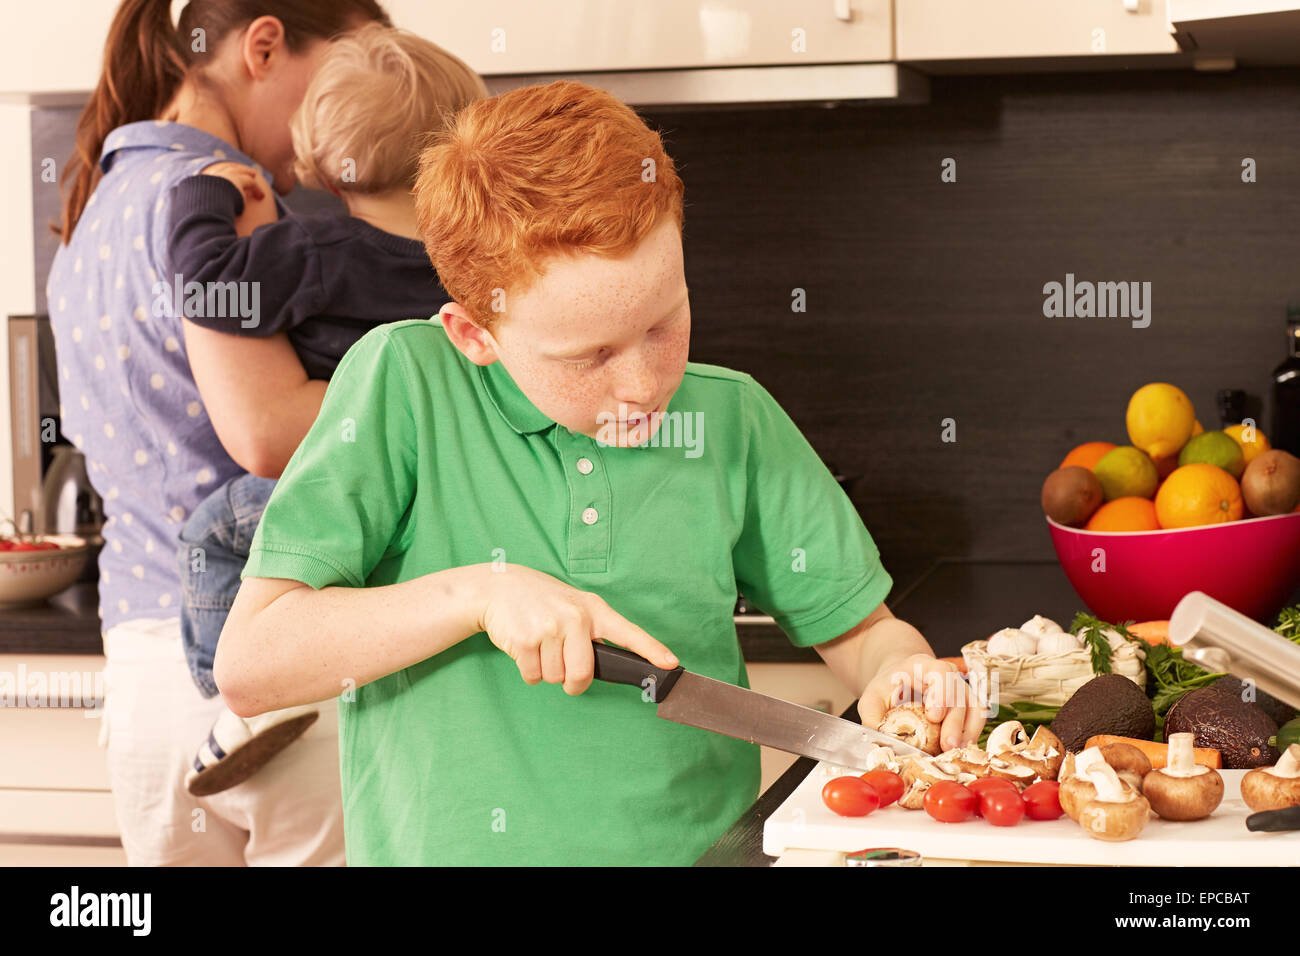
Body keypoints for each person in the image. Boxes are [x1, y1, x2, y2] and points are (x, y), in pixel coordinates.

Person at [215, 79, 986, 866]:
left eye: (665, 321)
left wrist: (902, 674)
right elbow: (251, 667)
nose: (644, 383)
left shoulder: (733, 419)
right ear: (475, 333)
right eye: (589, 355)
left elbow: (866, 636)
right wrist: (480, 593)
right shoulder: (403, 389)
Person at [47, 0, 391, 866]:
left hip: (145, 677)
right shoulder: (224, 196)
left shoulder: (93, 206)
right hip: (270, 669)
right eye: (342, 74)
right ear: (264, 46)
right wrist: (425, 390)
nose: (344, 117)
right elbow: (267, 435)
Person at [161, 23, 486, 796]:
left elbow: (204, 286)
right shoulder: (479, 262)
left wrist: (205, 190)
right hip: (437, 494)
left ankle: (240, 700)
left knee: (212, 533)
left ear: (321, 159)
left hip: (336, 484)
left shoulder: (314, 251)